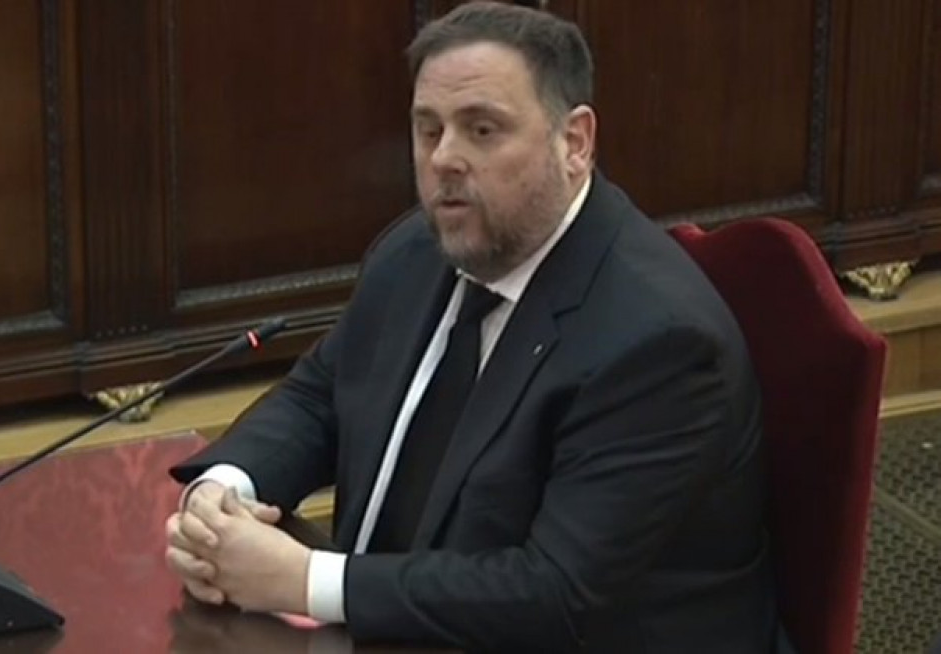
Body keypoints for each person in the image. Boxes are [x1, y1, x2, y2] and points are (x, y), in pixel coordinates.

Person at [165, 3, 781, 652]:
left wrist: (305, 580)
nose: (444, 159)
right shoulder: (416, 251)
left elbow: (555, 593)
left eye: (482, 130)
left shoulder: (658, 343)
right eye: (428, 130)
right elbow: (320, 397)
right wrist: (224, 493)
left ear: (575, 143)